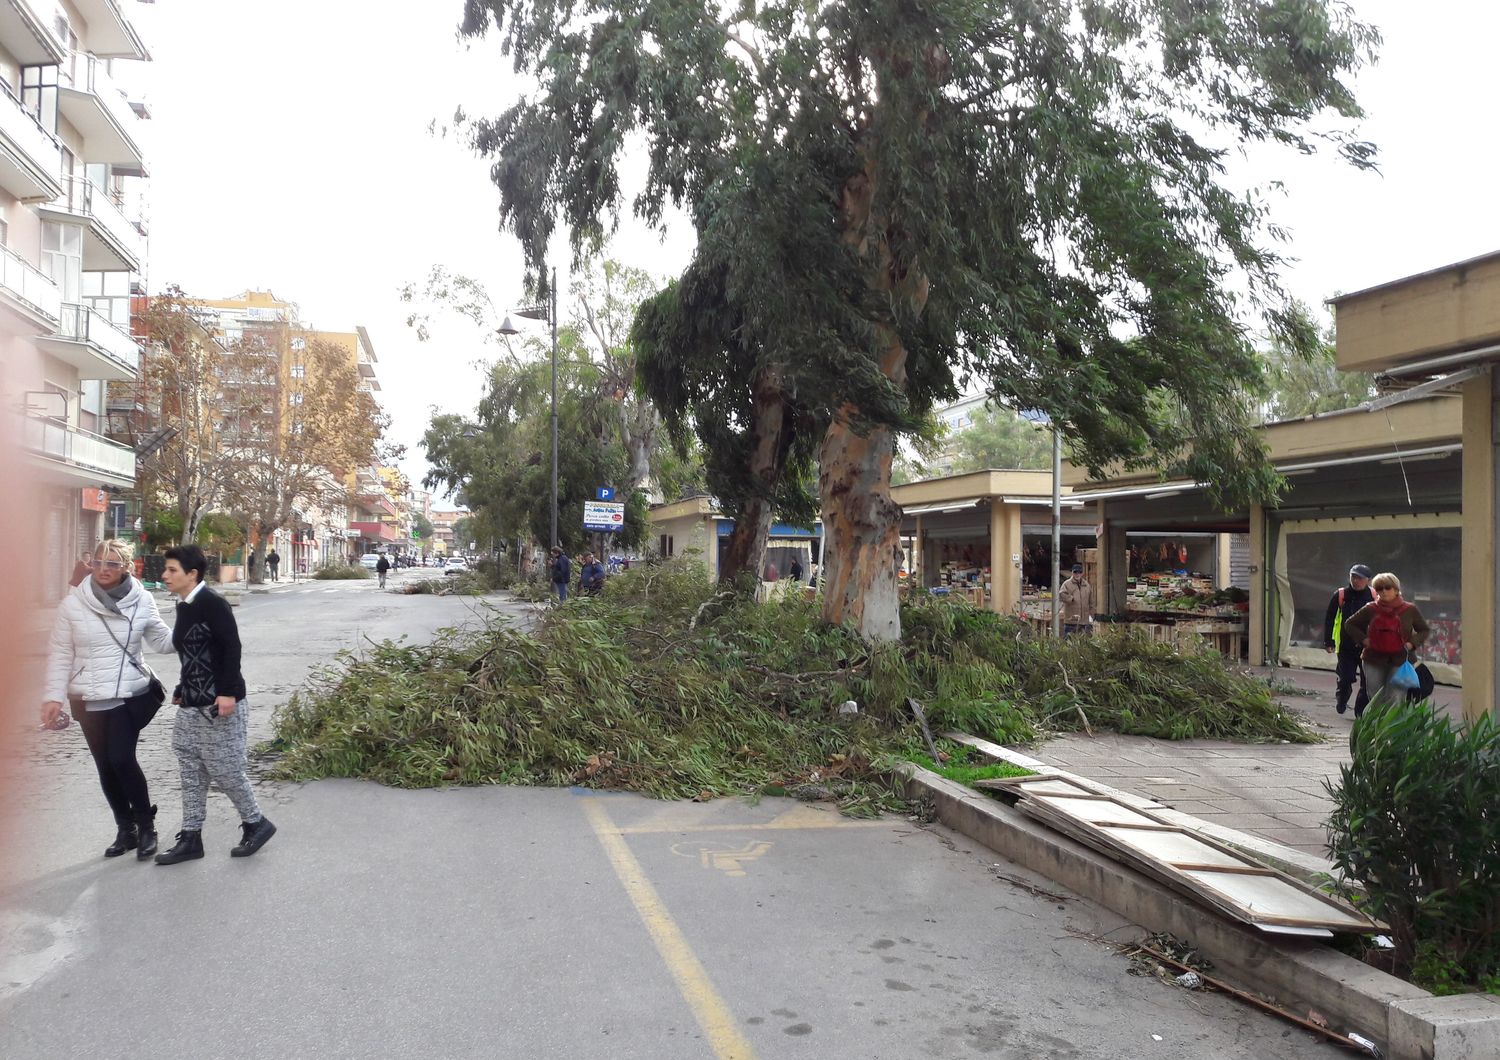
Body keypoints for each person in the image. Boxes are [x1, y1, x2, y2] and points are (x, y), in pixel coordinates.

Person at [42, 540, 174, 859]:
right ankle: (125, 830)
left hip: (128, 694)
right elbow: (60, 653)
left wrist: (195, 622)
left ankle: (146, 827)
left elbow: (161, 640)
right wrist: (53, 696)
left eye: (112, 564)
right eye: (99, 562)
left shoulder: (142, 600)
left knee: (121, 758)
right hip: (87, 698)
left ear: (126, 568)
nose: (103, 568)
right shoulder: (72, 604)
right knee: (105, 765)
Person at [156, 544, 276, 864]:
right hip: (192, 704)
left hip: (219, 704)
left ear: (192, 574)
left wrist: (226, 692)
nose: (164, 575)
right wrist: (183, 686)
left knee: (225, 769)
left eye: (172, 570)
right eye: (166, 569)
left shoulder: (213, 604)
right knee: (189, 766)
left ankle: (256, 823)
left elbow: (230, 649)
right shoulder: (184, 606)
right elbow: (193, 655)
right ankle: (191, 837)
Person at [1343, 571, 1431, 717]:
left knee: (1396, 697)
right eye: (1379, 588)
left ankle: (1392, 732)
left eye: (1387, 588)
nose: (1383, 592)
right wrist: (1364, 640)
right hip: (1373, 659)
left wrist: (1411, 644)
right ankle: (1378, 731)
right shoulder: (1370, 608)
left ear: (1396, 589)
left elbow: (1424, 630)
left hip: (1400, 660)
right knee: (1375, 697)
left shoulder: (1409, 609)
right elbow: (1350, 624)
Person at [1322, 564, 1376, 716]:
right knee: (1346, 678)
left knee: (1367, 682)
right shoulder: (1341, 595)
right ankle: (1342, 699)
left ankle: (1361, 712)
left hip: (1367, 646)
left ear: (1367, 580)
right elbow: (1329, 619)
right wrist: (1328, 642)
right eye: (1353, 577)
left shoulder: (1373, 596)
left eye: (1360, 578)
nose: (1356, 581)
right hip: (1345, 645)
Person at [1057, 563, 1093, 636]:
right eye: (1075, 572)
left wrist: (1092, 613)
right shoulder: (1067, 584)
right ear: (1072, 573)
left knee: (1082, 643)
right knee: (1069, 641)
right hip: (1071, 620)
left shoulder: (1086, 585)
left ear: (1082, 573)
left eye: (1079, 572)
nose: (1077, 574)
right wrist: (1071, 599)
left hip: (1084, 621)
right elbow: (1061, 594)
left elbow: (1091, 600)